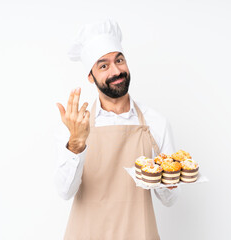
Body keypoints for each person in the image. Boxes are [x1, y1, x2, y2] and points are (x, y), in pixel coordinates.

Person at [54, 19, 180, 240]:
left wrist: (163, 175)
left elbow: (170, 200)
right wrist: (76, 144)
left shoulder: (156, 122)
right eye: (103, 65)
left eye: (119, 60)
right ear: (90, 77)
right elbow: (64, 192)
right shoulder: (76, 126)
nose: (116, 70)